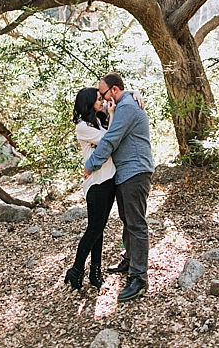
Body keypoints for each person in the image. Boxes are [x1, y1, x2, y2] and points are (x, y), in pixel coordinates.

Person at [85, 73, 152, 302]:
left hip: (135, 171)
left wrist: (91, 165)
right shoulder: (122, 104)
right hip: (125, 173)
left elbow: (111, 139)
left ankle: (139, 276)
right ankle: (130, 260)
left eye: (102, 94)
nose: (102, 100)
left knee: (136, 223)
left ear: (113, 90)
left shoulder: (127, 108)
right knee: (127, 219)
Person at [64, 87, 115, 290]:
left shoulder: (98, 122)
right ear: (88, 103)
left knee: (99, 229)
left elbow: (112, 137)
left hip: (109, 179)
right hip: (96, 183)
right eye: (97, 98)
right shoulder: (82, 127)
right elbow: (109, 141)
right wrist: (110, 113)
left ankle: (95, 273)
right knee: (93, 229)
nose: (101, 100)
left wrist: (109, 114)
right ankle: (76, 270)